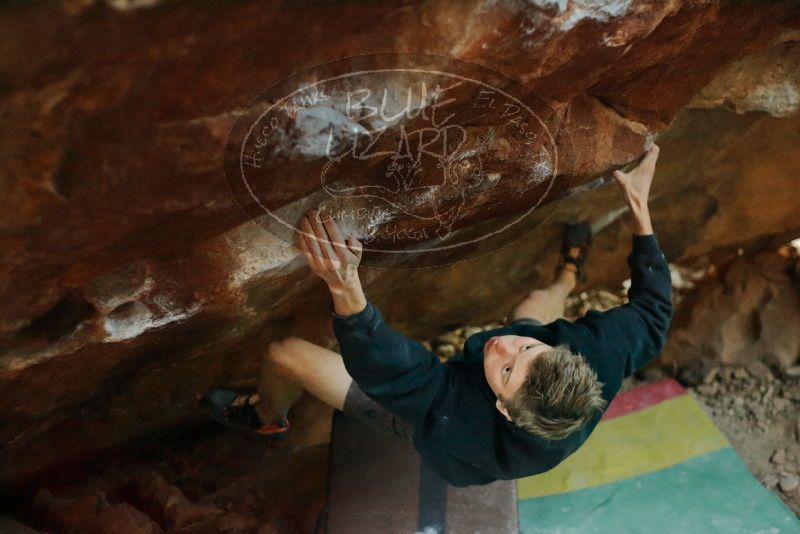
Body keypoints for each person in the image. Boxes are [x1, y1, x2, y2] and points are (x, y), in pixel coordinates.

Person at [201, 144, 673, 487]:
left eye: (507, 370)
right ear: (569, 355)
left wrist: (345, 286)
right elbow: (653, 315)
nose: (502, 346)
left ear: (503, 407)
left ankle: (267, 415)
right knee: (534, 308)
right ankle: (568, 275)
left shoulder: (462, 424)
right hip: (531, 379)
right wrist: (639, 208)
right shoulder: (600, 353)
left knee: (284, 354)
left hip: (436, 432)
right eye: (528, 348)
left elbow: (395, 370)